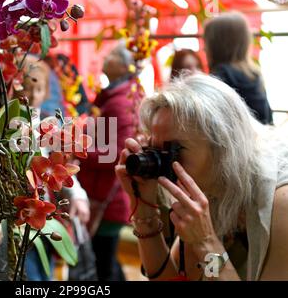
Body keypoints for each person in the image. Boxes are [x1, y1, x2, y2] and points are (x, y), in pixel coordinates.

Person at [115, 73, 288, 281]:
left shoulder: (281, 204)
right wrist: (144, 213)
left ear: (223, 148)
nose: (162, 166)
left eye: (173, 151)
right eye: (155, 150)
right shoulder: (209, 185)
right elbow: (172, 279)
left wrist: (206, 243)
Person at [14, 55, 91, 280]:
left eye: (37, 89)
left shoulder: (47, 126)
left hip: (43, 216)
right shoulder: (6, 127)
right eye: (24, 88)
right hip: (17, 217)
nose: (30, 96)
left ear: (47, 91)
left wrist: (77, 194)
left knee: (43, 273)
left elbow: (60, 168)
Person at [78, 43, 141, 281]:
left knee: (103, 264)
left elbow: (114, 153)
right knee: (106, 261)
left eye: (114, 54)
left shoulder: (118, 101)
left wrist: (78, 150)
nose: (107, 56)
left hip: (106, 197)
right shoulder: (118, 95)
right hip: (107, 195)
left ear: (126, 66)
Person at [204, 12, 273, 125]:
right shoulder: (253, 72)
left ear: (216, 44)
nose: (204, 48)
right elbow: (267, 118)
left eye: (206, 42)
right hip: (261, 137)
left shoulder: (221, 75)